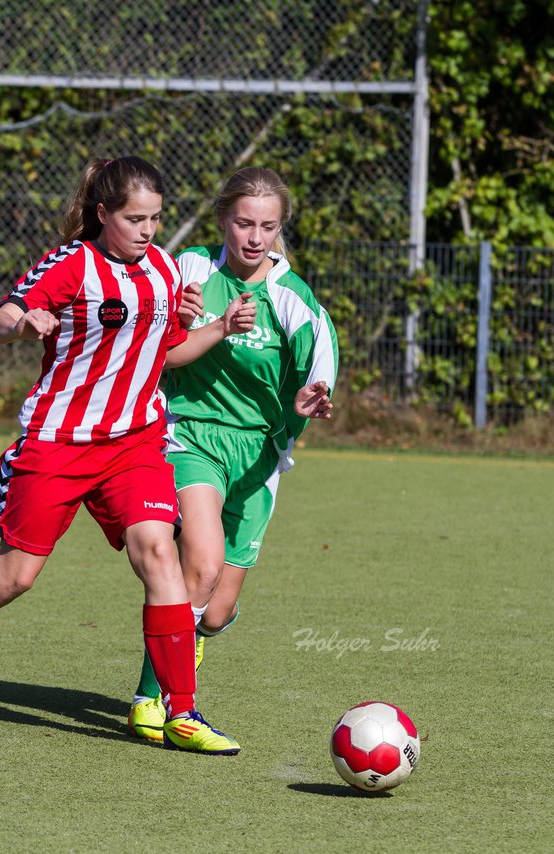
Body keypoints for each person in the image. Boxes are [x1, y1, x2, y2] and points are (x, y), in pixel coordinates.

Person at [0, 156, 251, 754]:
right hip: (58, 443)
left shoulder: (163, 271)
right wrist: (22, 324)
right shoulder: (72, 263)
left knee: (161, 553)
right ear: (103, 213)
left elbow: (167, 353)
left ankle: (180, 710)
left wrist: (219, 330)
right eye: (135, 218)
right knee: (14, 577)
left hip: (134, 443)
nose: (148, 230)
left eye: (157, 218)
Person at [125, 166, 338, 742]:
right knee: (201, 560)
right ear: (223, 219)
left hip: (260, 455)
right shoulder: (191, 268)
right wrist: (179, 315)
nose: (254, 237)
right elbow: (146, 319)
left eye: (267, 226)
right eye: (244, 222)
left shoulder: (292, 298)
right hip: (188, 434)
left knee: (213, 611)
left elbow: (322, 360)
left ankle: (185, 639)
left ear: (279, 229)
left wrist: (312, 394)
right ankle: (154, 698)